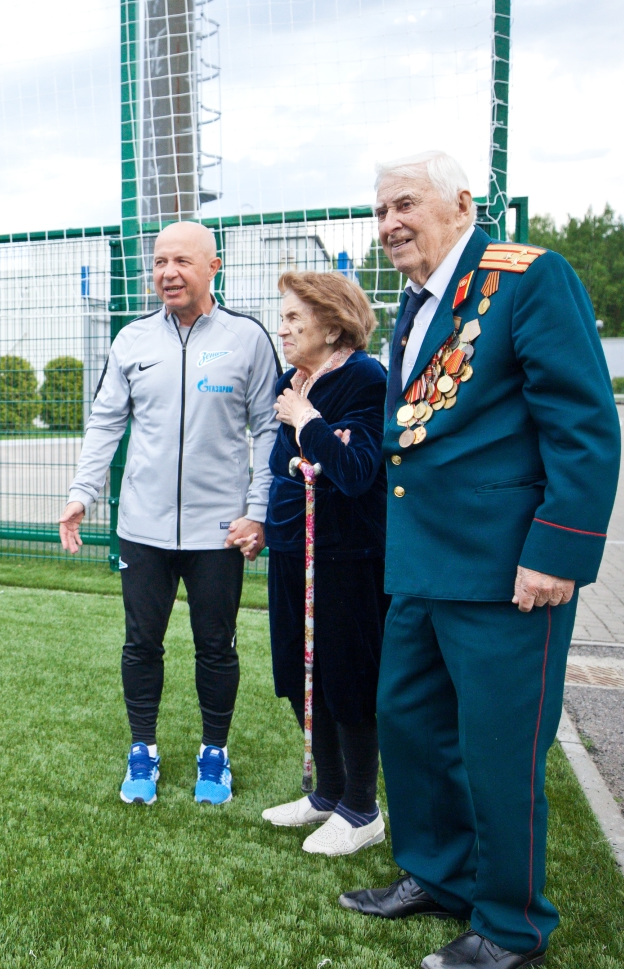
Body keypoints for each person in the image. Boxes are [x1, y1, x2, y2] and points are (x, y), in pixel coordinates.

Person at [337, 151, 621, 969]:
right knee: (412, 728)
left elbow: (582, 420)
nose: (389, 223)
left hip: (507, 572)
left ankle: (511, 921)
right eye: (380, 209)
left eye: (405, 205)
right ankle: (438, 874)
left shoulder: (529, 278)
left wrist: (557, 549)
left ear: (461, 204)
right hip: (422, 562)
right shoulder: (418, 301)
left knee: (498, 749)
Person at [59, 220, 280, 807]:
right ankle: (143, 751)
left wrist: (257, 512)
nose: (167, 273)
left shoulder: (249, 339)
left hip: (220, 531)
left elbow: (270, 429)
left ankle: (215, 753)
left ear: (214, 267)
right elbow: (106, 422)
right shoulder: (131, 340)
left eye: (181, 261)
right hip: (143, 529)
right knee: (141, 644)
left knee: (216, 645)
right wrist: (83, 493)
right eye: (159, 262)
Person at [258, 272, 390, 856]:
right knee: (297, 670)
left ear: (332, 325)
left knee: (346, 677)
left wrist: (307, 420)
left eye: (293, 319)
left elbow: (357, 472)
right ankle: (327, 794)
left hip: (346, 556)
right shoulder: (293, 381)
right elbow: (287, 468)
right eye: (281, 317)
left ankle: (362, 808)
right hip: (293, 547)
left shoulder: (364, 379)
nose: (281, 329)